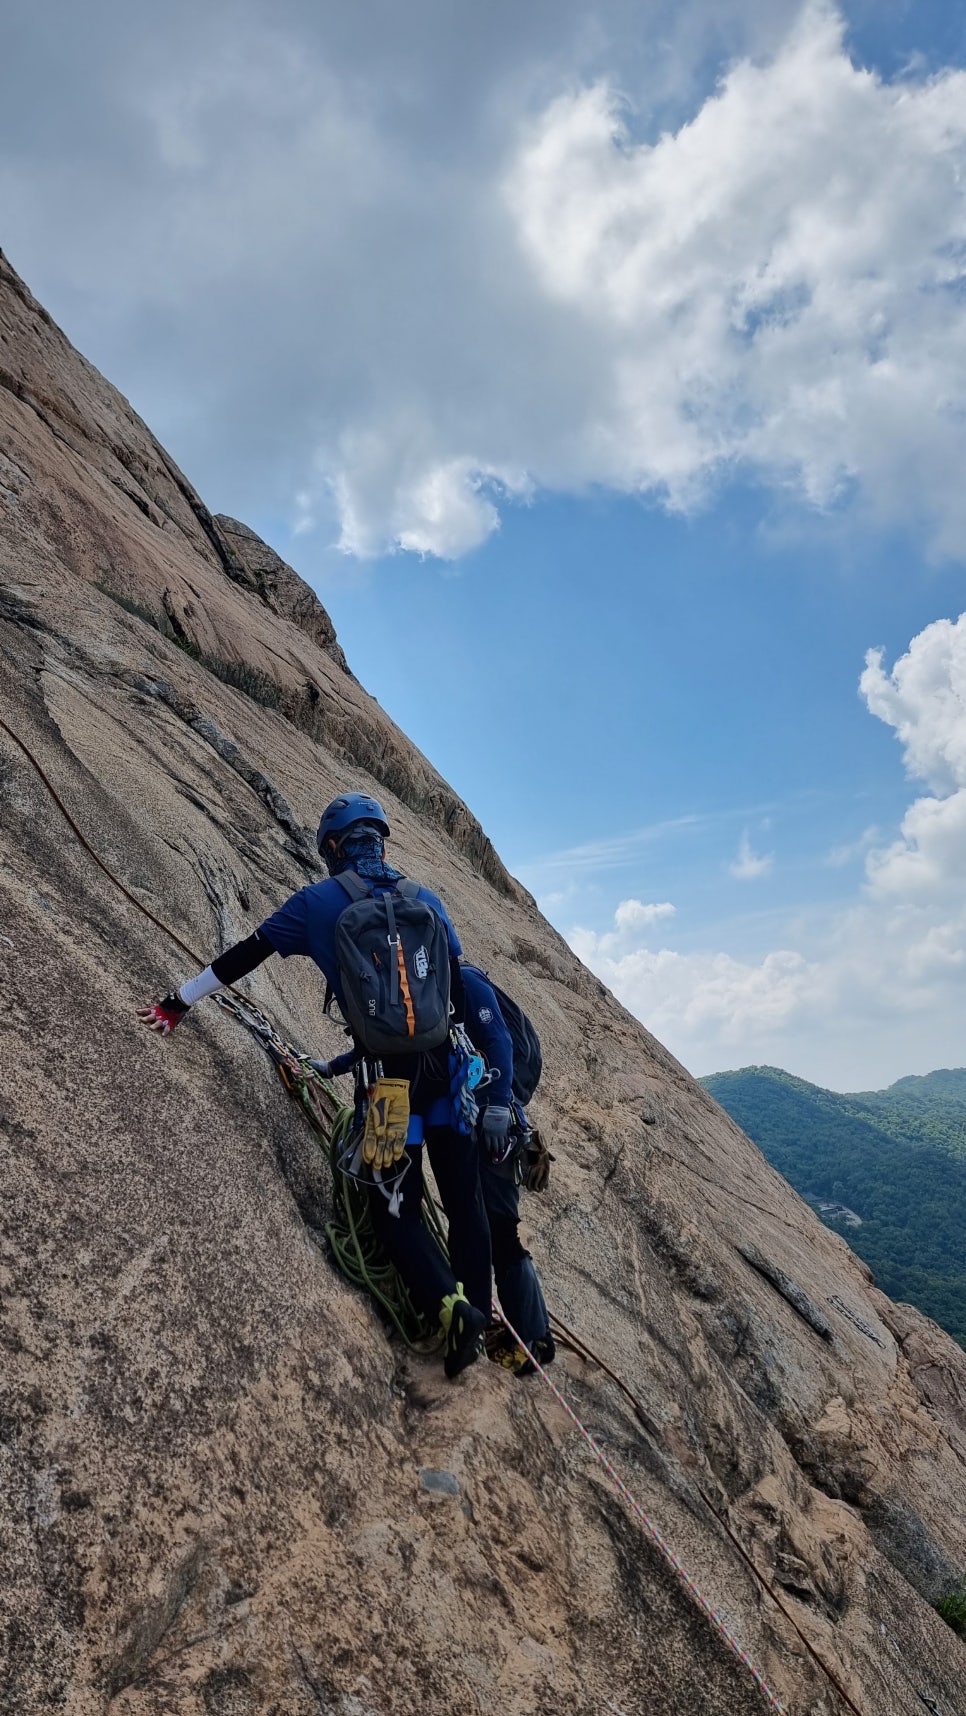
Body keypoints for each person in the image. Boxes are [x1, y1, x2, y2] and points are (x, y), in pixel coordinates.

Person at [138, 792, 492, 1379]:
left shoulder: (317, 904)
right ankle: (476, 1313)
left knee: (391, 1207)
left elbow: (245, 956)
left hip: (387, 1086)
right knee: (464, 1203)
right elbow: (456, 983)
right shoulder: (424, 898)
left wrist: (180, 1001)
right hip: (446, 1072)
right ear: (380, 839)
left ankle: (450, 1309)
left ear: (332, 849)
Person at [460, 963, 555, 1377]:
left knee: (500, 1232)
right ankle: (528, 1334)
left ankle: (534, 1342)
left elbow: (497, 1041)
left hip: (495, 1126)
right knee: (489, 1227)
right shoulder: (455, 981)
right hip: (491, 1118)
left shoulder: (463, 982)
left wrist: (499, 1108)